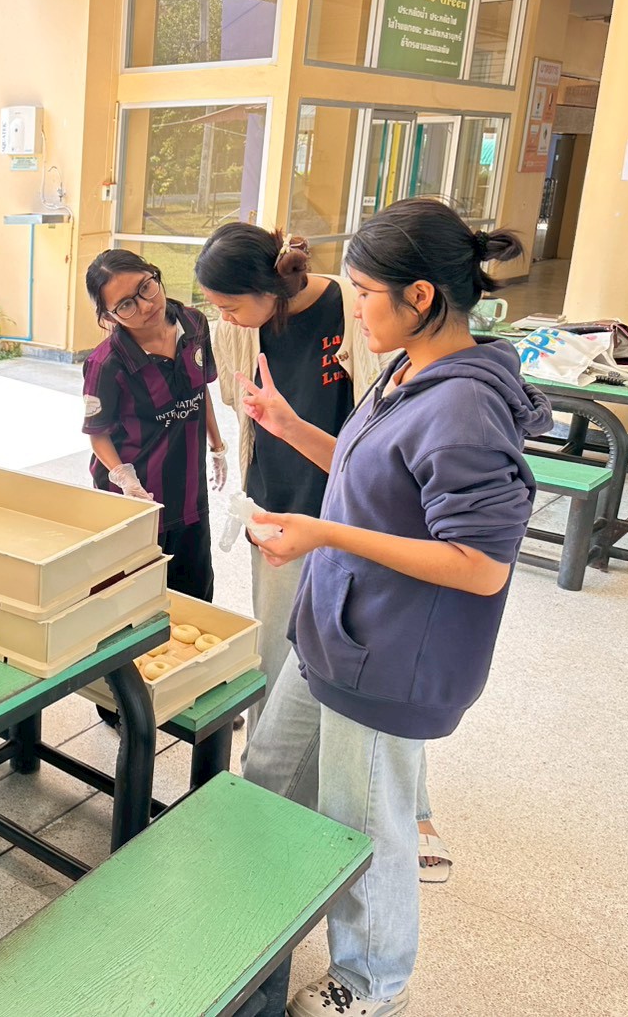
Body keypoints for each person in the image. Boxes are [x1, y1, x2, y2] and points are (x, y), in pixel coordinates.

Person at [239, 198, 553, 1016]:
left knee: (366, 822)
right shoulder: (407, 368)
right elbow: (371, 473)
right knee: (268, 776)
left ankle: (370, 982)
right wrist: (290, 426)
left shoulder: (464, 408)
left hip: (387, 655)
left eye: (363, 292)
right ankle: (259, 916)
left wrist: (320, 534)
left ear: (419, 296)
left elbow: (479, 565)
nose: (353, 308)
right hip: (335, 628)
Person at [198, 223, 452, 884]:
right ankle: (271, 781)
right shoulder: (237, 329)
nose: (224, 319)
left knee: (373, 668)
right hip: (278, 499)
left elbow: (384, 431)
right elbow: (244, 409)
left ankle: (413, 808)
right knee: (276, 652)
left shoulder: (356, 314)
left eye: (230, 305)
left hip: (353, 510)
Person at [81, 249, 227, 600]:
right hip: (137, 498)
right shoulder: (107, 364)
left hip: (189, 489)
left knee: (195, 594)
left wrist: (217, 446)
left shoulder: (193, 324)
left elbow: (199, 390)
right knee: (135, 600)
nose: (146, 306)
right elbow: (98, 434)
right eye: (125, 305)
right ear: (109, 316)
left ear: (155, 274)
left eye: (145, 287)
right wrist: (124, 478)